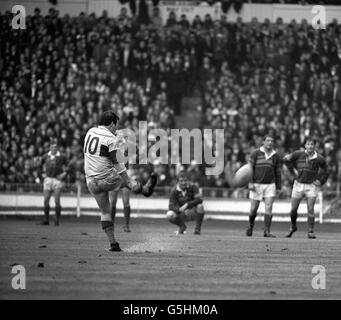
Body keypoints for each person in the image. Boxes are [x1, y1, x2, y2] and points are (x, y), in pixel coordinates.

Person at [84, 110, 157, 252]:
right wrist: (127, 179)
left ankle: (113, 244)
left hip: (91, 181)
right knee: (128, 183)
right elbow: (117, 162)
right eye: (116, 125)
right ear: (111, 123)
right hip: (106, 178)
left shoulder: (90, 131)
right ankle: (145, 190)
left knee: (105, 212)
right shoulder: (110, 140)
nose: (116, 128)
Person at [283, 138, 329, 239]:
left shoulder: (319, 158)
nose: (310, 146)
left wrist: (321, 181)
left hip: (311, 186)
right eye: (308, 144)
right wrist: (293, 172)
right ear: (305, 146)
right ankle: (293, 226)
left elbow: (327, 169)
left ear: (314, 146)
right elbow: (286, 160)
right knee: (293, 210)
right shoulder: (298, 154)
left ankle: (310, 231)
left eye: (312, 144)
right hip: (298, 184)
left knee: (310, 209)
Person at [246, 134, 282, 237]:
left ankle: (267, 231)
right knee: (253, 209)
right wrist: (250, 182)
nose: (270, 142)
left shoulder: (276, 156)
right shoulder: (256, 153)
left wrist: (278, 187)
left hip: (270, 185)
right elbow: (249, 168)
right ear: (263, 142)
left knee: (269, 207)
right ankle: (250, 225)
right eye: (268, 140)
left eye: (272, 141)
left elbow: (278, 173)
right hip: (256, 184)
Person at [166, 171, 205, 235]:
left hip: (193, 212)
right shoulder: (174, 190)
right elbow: (171, 206)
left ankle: (197, 229)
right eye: (181, 181)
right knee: (169, 214)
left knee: (200, 206)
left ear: (188, 180)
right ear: (177, 181)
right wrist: (179, 209)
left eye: (185, 180)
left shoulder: (193, 187)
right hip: (181, 213)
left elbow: (200, 199)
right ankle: (182, 226)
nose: (183, 183)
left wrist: (187, 204)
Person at [40, 142, 68, 226]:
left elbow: (69, 166)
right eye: (52, 147)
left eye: (55, 147)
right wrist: (42, 174)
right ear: (49, 148)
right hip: (48, 179)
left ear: (57, 148)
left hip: (57, 180)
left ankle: (57, 219)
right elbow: (38, 166)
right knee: (45, 201)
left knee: (57, 200)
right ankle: (46, 219)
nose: (54, 149)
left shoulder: (62, 156)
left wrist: (64, 174)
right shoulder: (45, 156)